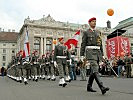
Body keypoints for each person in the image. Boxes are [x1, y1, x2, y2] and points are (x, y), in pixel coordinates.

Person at [80, 17, 109, 95]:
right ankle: (102, 87)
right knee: (95, 68)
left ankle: (89, 86)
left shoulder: (98, 32)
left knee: (94, 70)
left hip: (98, 52)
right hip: (90, 52)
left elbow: (100, 44)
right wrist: (81, 55)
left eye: (95, 21)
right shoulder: (86, 32)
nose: (94, 23)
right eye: (93, 21)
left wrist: (102, 54)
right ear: (89, 23)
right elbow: (83, 44)